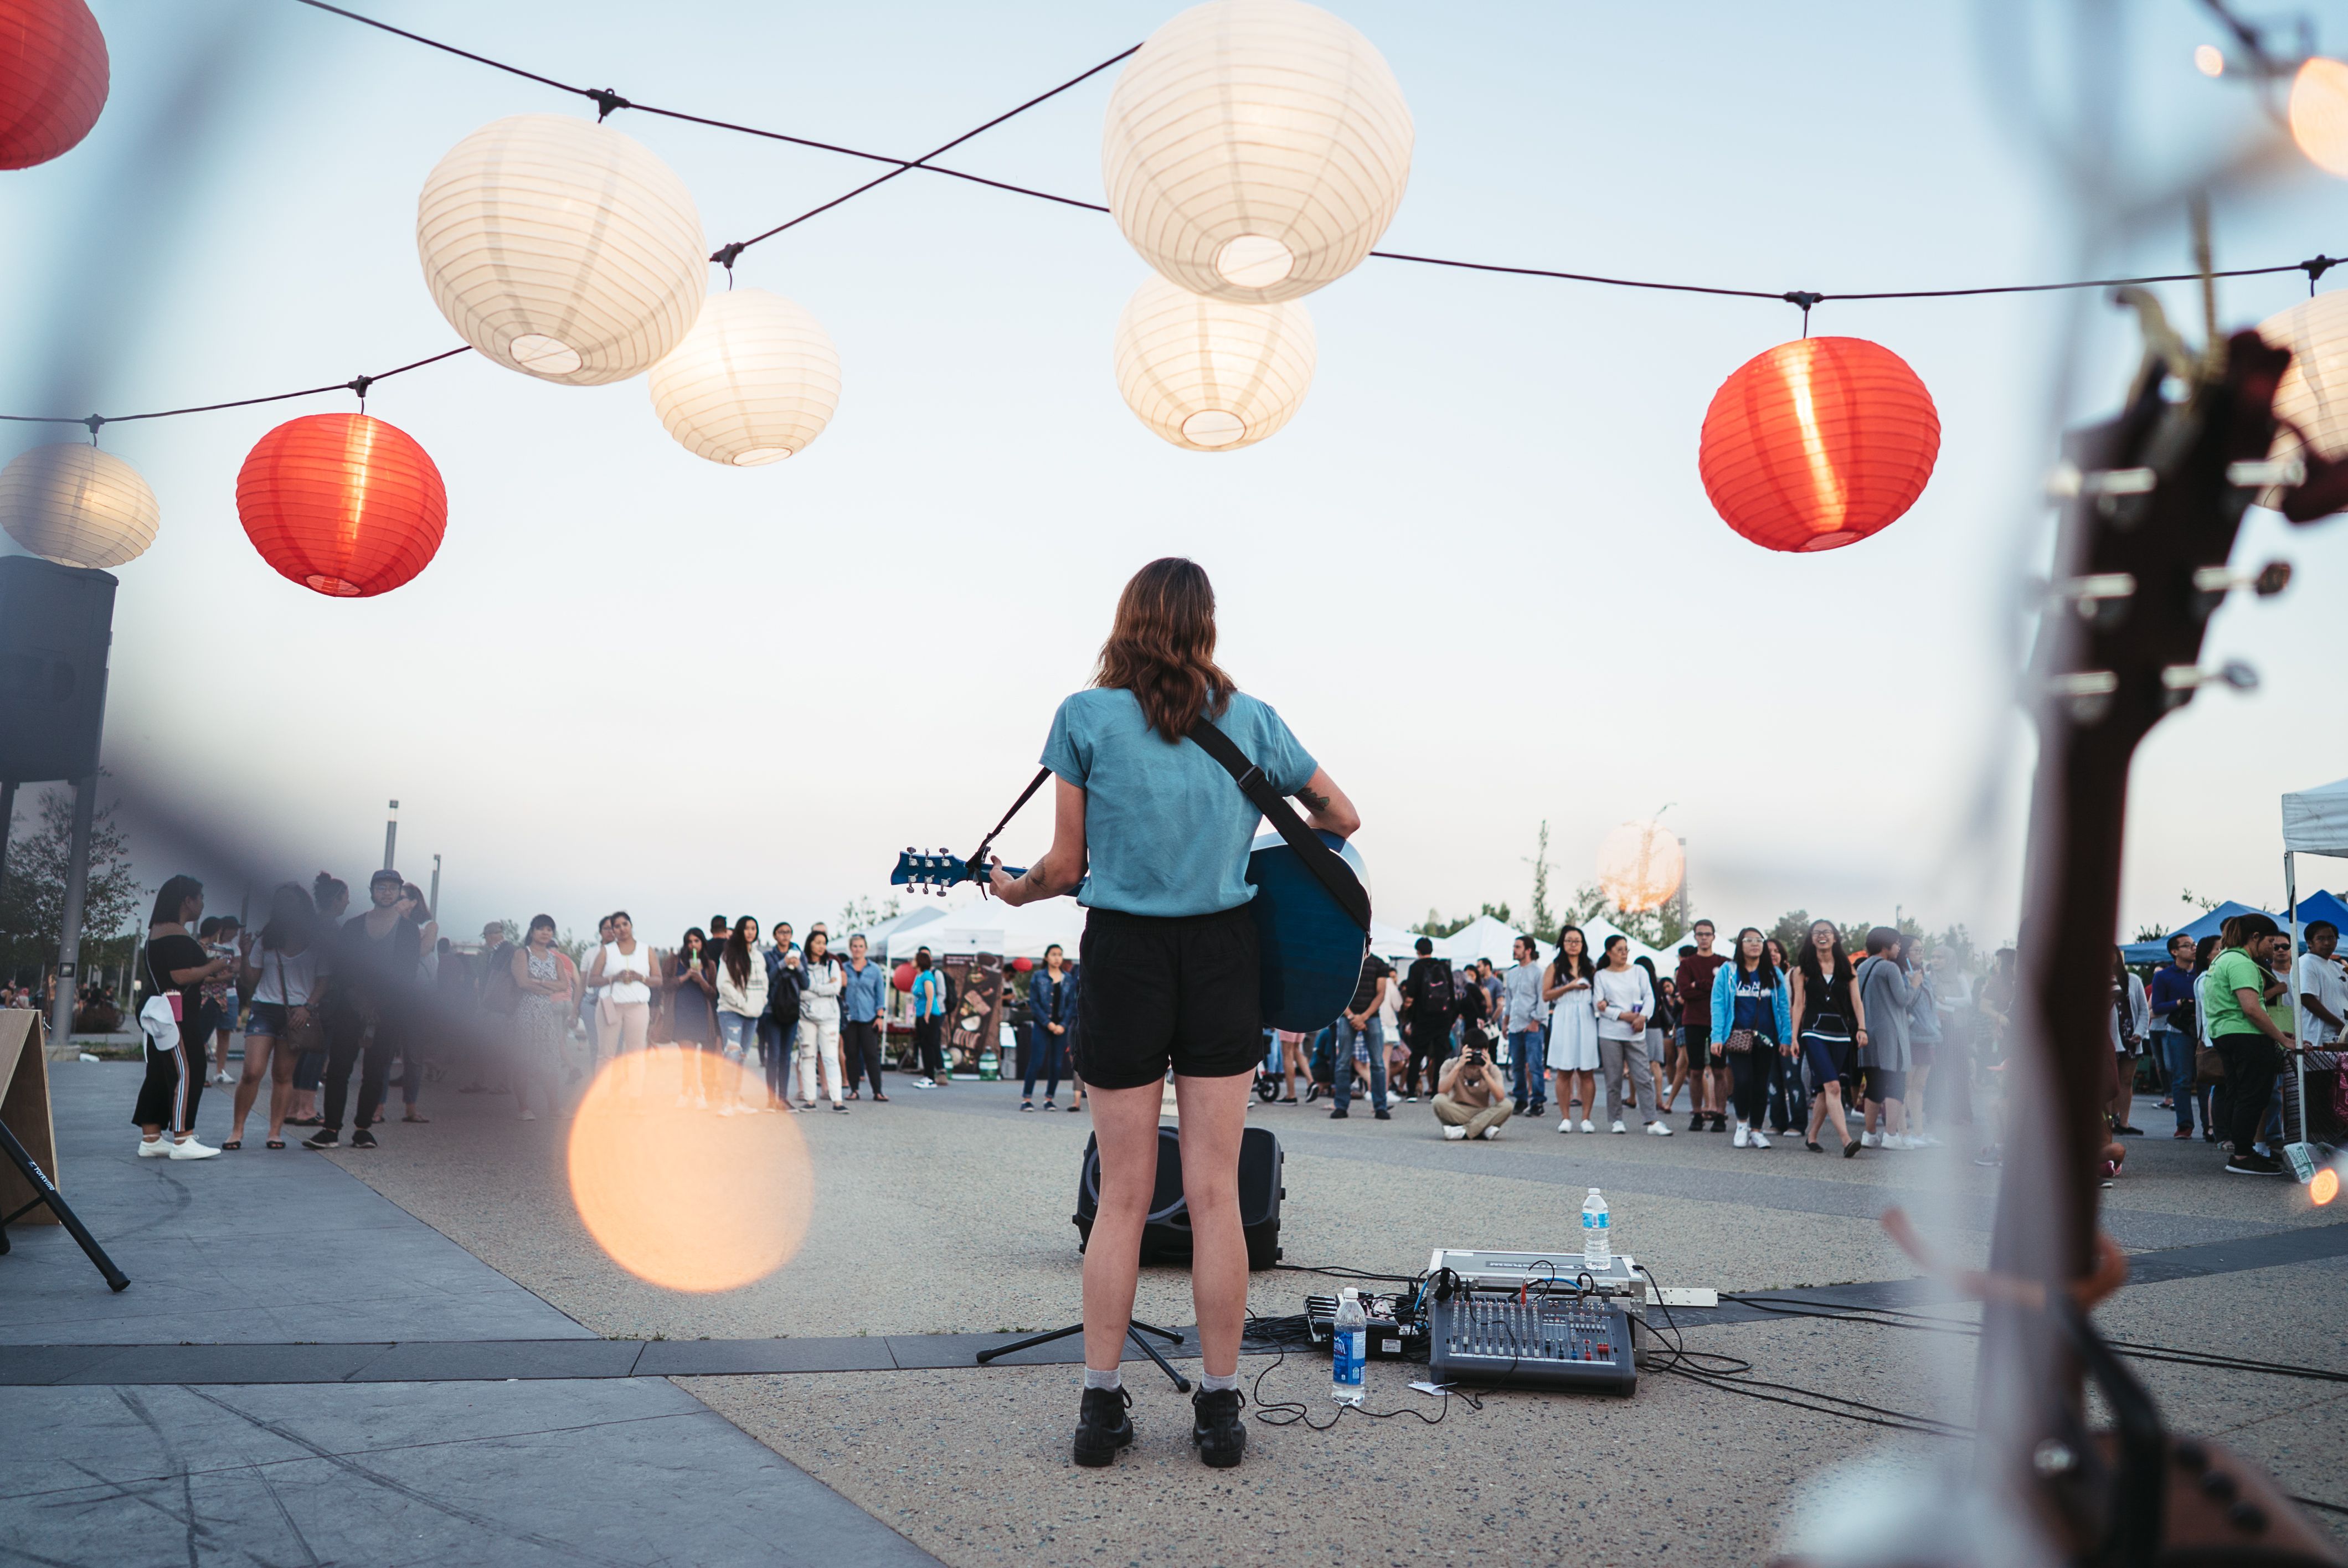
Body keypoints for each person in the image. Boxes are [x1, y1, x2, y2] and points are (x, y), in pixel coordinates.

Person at [987, 556, 1358, 1472]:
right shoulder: (1253, 719)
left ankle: (1100, 1410)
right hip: (1225, 953)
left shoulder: (1083, 717)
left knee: (1119, 1196)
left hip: (1123, 955)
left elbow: (1065, 869)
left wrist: (1012, 892)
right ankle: (1220, 1412)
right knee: (1216, 1194)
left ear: (1127, 620)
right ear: (1206, 627)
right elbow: (1341, 814)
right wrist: (1242, 849)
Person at [305, 870, 421, 1152]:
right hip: (350, 1005)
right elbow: (341, 969)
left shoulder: (408, 930)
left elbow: (407, 974)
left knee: (376, 1070)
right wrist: (359, 1000)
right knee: (338, 1068)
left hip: (388, 1011)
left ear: (400, 893)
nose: (387, 892)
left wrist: (380, 1004)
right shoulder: (353, 926)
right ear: (371, 891)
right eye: (381, 887)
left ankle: (363, 1129)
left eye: (393, 888)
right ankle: (331, 1129)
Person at [135, 875, 229, 1160]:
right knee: (189, 1069)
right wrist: (212, 965)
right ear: (187, 901)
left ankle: (151, 1138)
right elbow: (179, 975)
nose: (202, 903)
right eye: (199, 897)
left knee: (159, 1072)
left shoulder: (157, 931)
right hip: (175, 1013)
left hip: (160, 1009)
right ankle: (183, 1138)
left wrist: (211, 970)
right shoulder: (175, 933)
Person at [229, 884, 322, 1151]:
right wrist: (246, 954)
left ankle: (275, 1132)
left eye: (291, 903)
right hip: (265, 1008)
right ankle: (237, 1130)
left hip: (297, 1012)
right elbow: (250, 981)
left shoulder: (316, 943)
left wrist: (308, 1007)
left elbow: (324, 982)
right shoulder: (266, 939)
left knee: (283, 1074)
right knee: (252, 1071)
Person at [2206, 913, 2292, 1174]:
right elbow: (2252, 1009)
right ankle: (2242, 1156)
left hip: (2226, 1033)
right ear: (2255, 938)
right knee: (2253, 1095)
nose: (2273, 948)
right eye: (2270, 942)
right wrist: (2282, 1038)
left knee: (2240, 1092)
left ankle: (2243, 1151)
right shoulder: (2241, 963)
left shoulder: (2223, 959)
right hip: (2245, 1035)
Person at [1711, 927, 1791, 1148]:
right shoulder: (1728, 971)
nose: (1755, 944)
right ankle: (1742, 1125)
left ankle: (1756, 1130)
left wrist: (1786, 1037)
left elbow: (1784, 1006)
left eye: (1759, 940)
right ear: (1740, 944)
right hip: (1737, 1037)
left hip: (1767, 1038)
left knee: (1760, 1084)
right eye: (1749, 940)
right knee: (1743, 1081)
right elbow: (1718, 1005)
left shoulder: (1773, 974)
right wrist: (1716, 1037)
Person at [1791, 919, 1863, 1157]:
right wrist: (1794, 1038)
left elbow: (1856, 1002)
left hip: (1841, 1034)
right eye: (1817, 933)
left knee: (1826, 1090)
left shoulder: (1848, 969)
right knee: (1833, 1085)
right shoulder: (1802, 970)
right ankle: (1846, 1140)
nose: (1822, 936)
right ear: (1811, 938)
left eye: (1827, 932)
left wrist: (1862, 1029)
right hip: (1814, 1032)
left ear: (1835, 938)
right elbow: (1798, 1005)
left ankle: (1812, 1137)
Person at [1590, 934, 1666, 1134]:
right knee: (1613, 1078)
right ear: (1609, 952)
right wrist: (1624, 1015)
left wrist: (1642, 1017)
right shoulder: (1601, 976)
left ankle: (1652, 1120)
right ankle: (1616, 1119)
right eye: (1619, 950)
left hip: (1636, 1031)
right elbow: (1598, 1005)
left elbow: (1649, 996)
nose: (1624, 953)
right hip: (1610, 1032)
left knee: (1643, 1076)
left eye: (1626, 949)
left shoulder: (1639, 971)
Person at [509, 915, 576, 1120]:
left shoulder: (555, 959)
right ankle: (524, 1108)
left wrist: (537, 982)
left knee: (551, 1061)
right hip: (524, 1012)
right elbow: (522, 982)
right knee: (523, 1060)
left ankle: (554, 1107)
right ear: (532, 931)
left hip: (546, 1013)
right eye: (541, 929)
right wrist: (548, 984)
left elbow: (564, 985)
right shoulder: (522, 954)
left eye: (549, 929)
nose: (546, 933)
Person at [1855, 928, 1916, 1149]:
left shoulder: (1862, 966)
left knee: (1874, 1084)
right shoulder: (1890, 968)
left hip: (1868, 1032)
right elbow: (1903, 1000)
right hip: (1892, 1034)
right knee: (1897, 1082)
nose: (1899, 948)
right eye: (1897, 944)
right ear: (1885, 945)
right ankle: (1891, 1135)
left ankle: (1869, 1134)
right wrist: (1915, 985)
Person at [584, 912, 657, 1092]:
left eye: (625, 924)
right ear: (613, 931)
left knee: (636, 1054)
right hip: (611, 1005)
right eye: (617, 926)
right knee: (606, 1055)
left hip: (638, 1005)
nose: (622, 929)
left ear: (631, 925)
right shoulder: (607, 951)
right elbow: (592, 980)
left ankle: (635, 1097)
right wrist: (613, 978)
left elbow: (658, 980)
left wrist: (640, 977)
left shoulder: (646, 950)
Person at [1674, 920, 1731, 1132]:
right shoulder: (1687, 964)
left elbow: (1726, 990)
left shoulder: (1725, 963)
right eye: (1700, 934)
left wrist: (1700, 984)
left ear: (1714, 937)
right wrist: (1709, 987)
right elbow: (1685, 992)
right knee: (1696, 1070)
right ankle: (1697, 1113)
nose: (1704, 937)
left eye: (1708, 934)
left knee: (1719, 1070)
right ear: (1695, 937)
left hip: (1718, 1023)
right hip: (1694, 1021)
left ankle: (1720, 1114)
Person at [1541, 925, 1597, 1128]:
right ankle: (1565, 1118)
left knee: (1587, 1070)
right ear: (1562, 944)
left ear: (1583, 944)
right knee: (1564, 1070)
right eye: (1569, 941)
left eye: (1577, 941)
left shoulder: (1591, 968)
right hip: (1564, 1015)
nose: (1573, 945)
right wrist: (1568, 987)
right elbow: (1546, 995)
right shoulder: (1555, 967)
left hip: (1586, 1015)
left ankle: (1586, 1118)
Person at [715, 916, 770, 1115]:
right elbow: (723, 984)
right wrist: (742, 1003)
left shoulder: (759, 956)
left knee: (742, 1057)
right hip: (732, 1012)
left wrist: (761, 1002)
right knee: (732, 1054)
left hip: (753, 1014)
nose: (750, 932)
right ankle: (726, 1101)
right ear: (740, 930)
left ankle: (737, 1098)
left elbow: (764, 984)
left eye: (754, 928)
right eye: (747, 928)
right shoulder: (729, 955)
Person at [2148, 932, 2200, 1139]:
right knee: (2182, 1079)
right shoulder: (2163, 976)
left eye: (2194, 944)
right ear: (2174, 952)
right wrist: (2179, 1003)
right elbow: (2157, 1007)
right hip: (2178, 1032)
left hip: (2204, 1031)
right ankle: (2185, 1126)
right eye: (2187, 945)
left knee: (2207, 1079)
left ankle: (2211, 1127)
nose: (2193, 948)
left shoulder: (2203, 973)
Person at [1331, 951, 1392, 1121]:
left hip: (1370, 1017)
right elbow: (1338, 991)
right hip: (1349, 1017)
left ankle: (1381, 1106)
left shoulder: (1379, 963)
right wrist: (1352, 1016)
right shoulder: (1345, 961)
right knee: (1343, 1062)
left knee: (1377, 1063)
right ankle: (1341, 1106)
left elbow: (1381, 994)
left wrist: (1362, 1017)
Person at [665, 926, 719, 1106]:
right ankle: (698, 1094)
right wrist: (686, 977)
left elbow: (713, 993)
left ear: (703, 943)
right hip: (681, 1012)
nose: (693, 945)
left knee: (692, 1056)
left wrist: (700, 980)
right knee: (688, 1055)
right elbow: (665, 985)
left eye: (696, 941)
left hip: (701, 1014)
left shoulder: (710, 965)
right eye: (689, 942)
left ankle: (684, 1093)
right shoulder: (676, 961)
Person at [795, 929, 847, 1111]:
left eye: (824, 943)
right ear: (810, 943)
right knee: (808, 1056)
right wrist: (822, 988)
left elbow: (835, 988)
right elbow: (800, 992)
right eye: (818, 942)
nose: (821, 946)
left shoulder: (832, 964)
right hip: (807, 1017)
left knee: (830, 1056)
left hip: (830, 1017)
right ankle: (810, 1099)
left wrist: (813, 988)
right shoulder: (801, 965)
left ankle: (837, 1100)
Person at [1399, 936, 1454, 1102]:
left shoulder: (1415, 967)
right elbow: (1451, 993)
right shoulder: (1444, 966)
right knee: (1439, 1056)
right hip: (1443, 1018)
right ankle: (1437, 1092)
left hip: (1422, 1018)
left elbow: (1411, 992)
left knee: (1417, 1055)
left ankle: (1411, 1093)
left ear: (1418, 951)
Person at [1023, 942, 1075, 1110]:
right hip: (1042, 1026)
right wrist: (1048, 1023)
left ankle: (1049, 1099)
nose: (1057, 958)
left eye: (1060, 955)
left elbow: (1071, 1005)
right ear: (1047, 957)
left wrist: (1063, 1025)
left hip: (1061, 1027)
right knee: (1036, 1062)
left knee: (1057, 1064)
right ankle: (1027, 1099)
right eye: (1053, 954)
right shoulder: (1038, 977)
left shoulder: (1068, 979)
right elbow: (1034, 1003)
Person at [840, 933, 890, 1103]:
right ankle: (854, 1089)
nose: (857, 950)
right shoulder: (844, 969)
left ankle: (878, 1091)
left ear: (866, 949)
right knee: (851, 1054)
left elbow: (880, 995)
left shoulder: (874, 969)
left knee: (871, 1055)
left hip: (869, 1017)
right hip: (850, 1018)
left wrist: (880, 1016)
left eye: (861, 946)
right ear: (850, 948)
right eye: (855, 946)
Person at [1500, 936, 1547, 1115]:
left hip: (1532, 1025)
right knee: (1517, 1065)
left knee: (1535, 1065)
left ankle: (1537, 1102)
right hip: (1515, 1026)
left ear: (1528, 950)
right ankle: (1521, 1099)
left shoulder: (1538, 972)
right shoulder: (1512, 973)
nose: (1514, 950)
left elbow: (1543, 998)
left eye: (1518, 947)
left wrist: (1536, 1022)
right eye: (1514, 946)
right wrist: (1505, 1023)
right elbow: (1510, 1000)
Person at [2108, 946, 2150, 1135]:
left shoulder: (2133, 980)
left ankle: (2123, 1122)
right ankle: (2108, 1123)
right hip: (2109, 1037)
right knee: (2109, 1082)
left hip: (2131, 1036)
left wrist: (2141, 1032)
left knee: (2126, 1081)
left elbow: (2143, 1009)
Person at [1432, 1041, 1511, 1141]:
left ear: (1487, 1051)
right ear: (1463, 1049)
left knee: (1507, 1105)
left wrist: (1485, 1072)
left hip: (1482, 1111)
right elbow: (1442, 1090)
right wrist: (1458, 1067)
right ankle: (1482, 1129)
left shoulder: (1492, 1069)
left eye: (1480, 1051)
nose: (1475, 1055)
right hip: (1459, 1111)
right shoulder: (1451, 1064)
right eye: (1472, 1050)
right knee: (1438, 1100)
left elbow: (1500, 1097)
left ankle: (1463, 1132)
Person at [201, 915, 241, 1087]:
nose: (236, 932)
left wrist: (227, 971)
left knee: (225, 1032)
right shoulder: (208, 945)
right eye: (234, 928)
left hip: (230, 993)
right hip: (208, 993)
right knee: (203, 1033)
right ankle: (199, 1070)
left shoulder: (235, 948)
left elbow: (237, 967)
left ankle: (220, 1070)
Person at [909, 947, 949, 1087]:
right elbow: (917, 994)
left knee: (930, 1045)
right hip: (921, 1014)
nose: (912, 962)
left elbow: (931, 997)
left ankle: (931, 1077)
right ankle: (927, 1075)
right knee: (923, 1045)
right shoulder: (919, 976)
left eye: (914, 959)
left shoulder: (927, 976)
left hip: (930, 1015)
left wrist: (927, 1014)